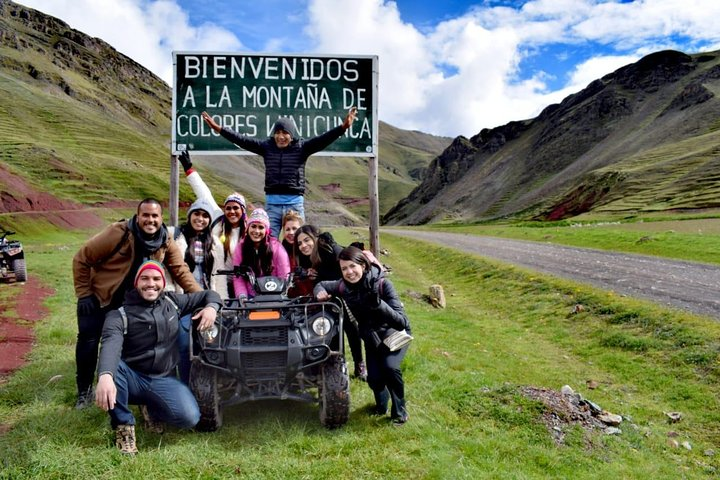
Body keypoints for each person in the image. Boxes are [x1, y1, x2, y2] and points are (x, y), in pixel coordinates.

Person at [72, 198, 201, 409]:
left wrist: (198, 297)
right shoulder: (119, 233)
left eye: (155, 216)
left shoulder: (164, 239)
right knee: (88, 341)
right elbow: (81, 258)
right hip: (100, 297)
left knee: (123, 344)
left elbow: (180, 270)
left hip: (129, 302)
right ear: (138, 216)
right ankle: (84, 392)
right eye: (146, 215)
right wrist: (84, 293)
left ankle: (128, 388)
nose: (150, 220)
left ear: (161, 218)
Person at [95, 260, 222, 455]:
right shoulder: (119, 315)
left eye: (156, 279)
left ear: (163, 283)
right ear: (136, 282)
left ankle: (153, 409)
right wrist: (104, 375)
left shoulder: (172, 302)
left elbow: (208, 294)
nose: (151, 284)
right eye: (144, 278)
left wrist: (212, 307)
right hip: (132, 379)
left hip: (163, 378)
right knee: (113, 368)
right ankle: (124, 426)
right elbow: (110, 345)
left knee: (190, 417)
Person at [201, 107, 358, 235]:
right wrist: (219, 129)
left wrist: (342, 128)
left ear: (291, 135)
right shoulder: (266, 147)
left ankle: (298, 273)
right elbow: (241, 140)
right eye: (277, 133)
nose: (280, 137)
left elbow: (324, 139)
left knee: (299, 239)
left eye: (285, 133)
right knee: (269, 241)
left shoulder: (302, 148)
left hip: (295, 204)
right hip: (272, 205)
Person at [314, 246, 411, 425]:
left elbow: (402, 322)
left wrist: (379, 305)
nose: (349, 272)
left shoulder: (382, 284)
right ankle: (381, 406)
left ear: (364, 265)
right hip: (371, 338)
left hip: (394, 334)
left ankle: (400, 412)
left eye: (353, 266)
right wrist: (319, 293)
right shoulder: (342, 287)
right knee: (373, 378)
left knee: (390, 368)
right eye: (344, 268)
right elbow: (321, 285)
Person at [166, 198, 228, 383]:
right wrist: (171, 297)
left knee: (213, 341)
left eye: (205, 215)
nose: (200, 219)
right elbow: (168, 270)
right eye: (197, 214)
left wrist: (220, 303)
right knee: (184, 342)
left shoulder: (215, 243)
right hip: (183, 299)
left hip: (207, 298)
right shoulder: (175, 236)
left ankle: (214, 384)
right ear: (190, 215)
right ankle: (185, 384)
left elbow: (219, 276)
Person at [177, 150, 248, 296]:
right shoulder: (218, 219)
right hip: (217, 281)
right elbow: (203, 192)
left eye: (236, 208)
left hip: (244, 283)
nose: (232, 212)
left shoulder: (250, 230)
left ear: (243, 211)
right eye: (228, 208)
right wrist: (189, 169)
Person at [311, 232, 367, 381]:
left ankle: (356, 363)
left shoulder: (333, 253)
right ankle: (339, 364)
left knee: (349, 330)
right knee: (336, 332)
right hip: (328, 298)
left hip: (341, 297)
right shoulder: (321, 255)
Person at [232, 208, 291, 299]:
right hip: (249, 297)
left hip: (274, 295)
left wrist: (279, 296)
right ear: (248, 228)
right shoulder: (240, 248)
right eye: (253, 226)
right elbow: (238, 277)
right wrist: (242, 296)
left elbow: (284, 275)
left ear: (266, 230)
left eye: (261, 227)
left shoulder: (277, 248)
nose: (256, 231)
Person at [288, 224, 320, 298]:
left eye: (306, 240)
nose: (303, 245)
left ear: (315, 238)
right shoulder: (302, 263)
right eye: (299, 244)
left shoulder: (330, 255)